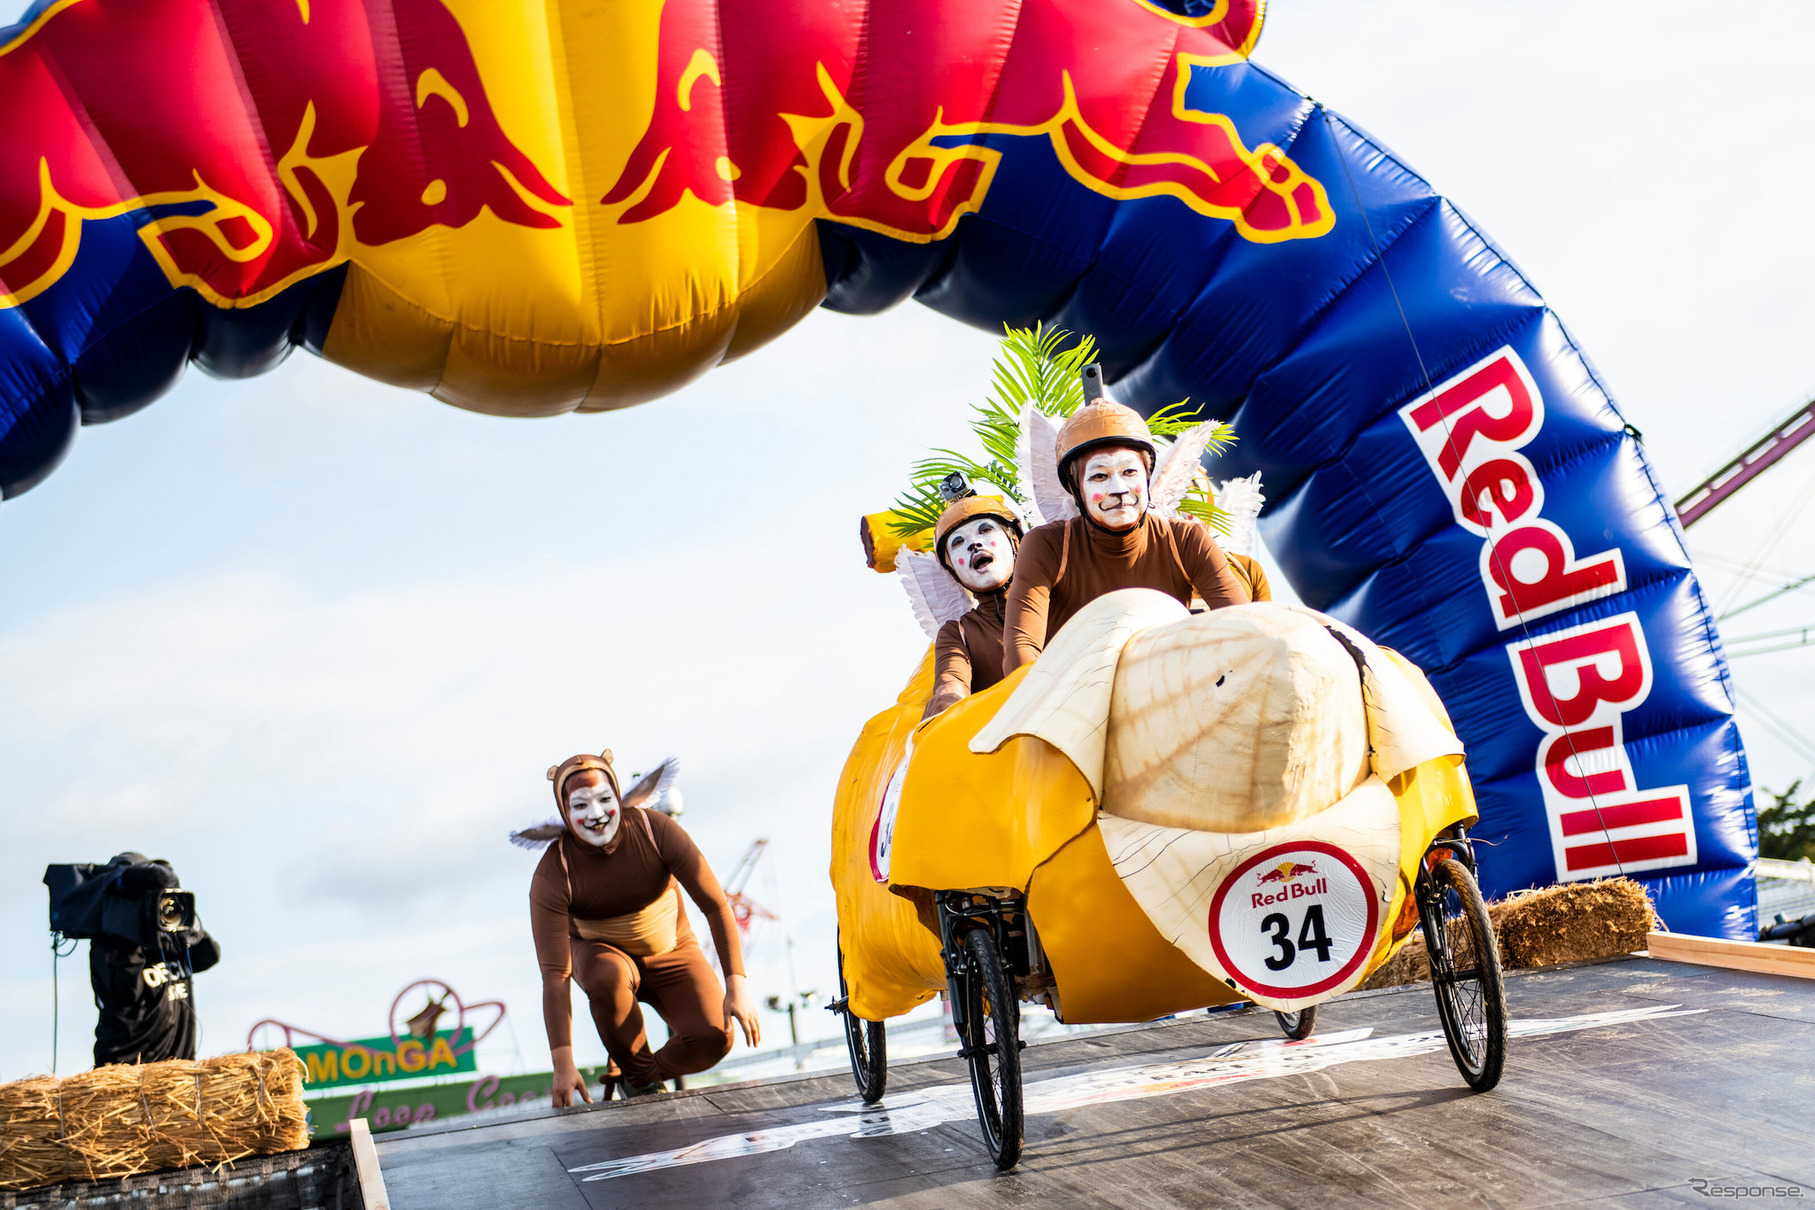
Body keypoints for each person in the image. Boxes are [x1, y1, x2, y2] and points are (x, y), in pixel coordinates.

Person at [518, 751, 760, 1104]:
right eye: (581, 805)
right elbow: (555, 975)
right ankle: (639, 1072)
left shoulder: (655, 830)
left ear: (619, 795)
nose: (597, 815)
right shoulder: (555, 871)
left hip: (673, 951)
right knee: (608, 975)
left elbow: (715, 905)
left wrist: (736, 985)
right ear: (565, 814)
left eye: (604, 800)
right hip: (602, 959)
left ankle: (638, 1074)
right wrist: (563, 1063)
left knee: (715, 1037)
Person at [1004, 397, 1246, 672]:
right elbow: (1021, 647)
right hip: (1077, 697)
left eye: (1129, 472)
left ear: (1147, 477)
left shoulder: (1186, 539)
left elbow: (1243, 623)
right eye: (1099, 476)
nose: (1119, 488)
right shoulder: (1047, 545)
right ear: (1076, 490)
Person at [85, 855, 220, 1066]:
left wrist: (186, 921)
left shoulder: (170, 936)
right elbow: (127, 990)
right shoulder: (112, 943)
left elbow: (209, 955)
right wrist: (138, 928)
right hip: (129, 1076)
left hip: (178, 1074)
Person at [925, 494, 1024, 719]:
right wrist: (945, 705)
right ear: (952, 570)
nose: (974, 544)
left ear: (1014, 541)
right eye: (958, 542)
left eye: (985, 530)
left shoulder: (1060, 591)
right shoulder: (958, 633)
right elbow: (951, 681)